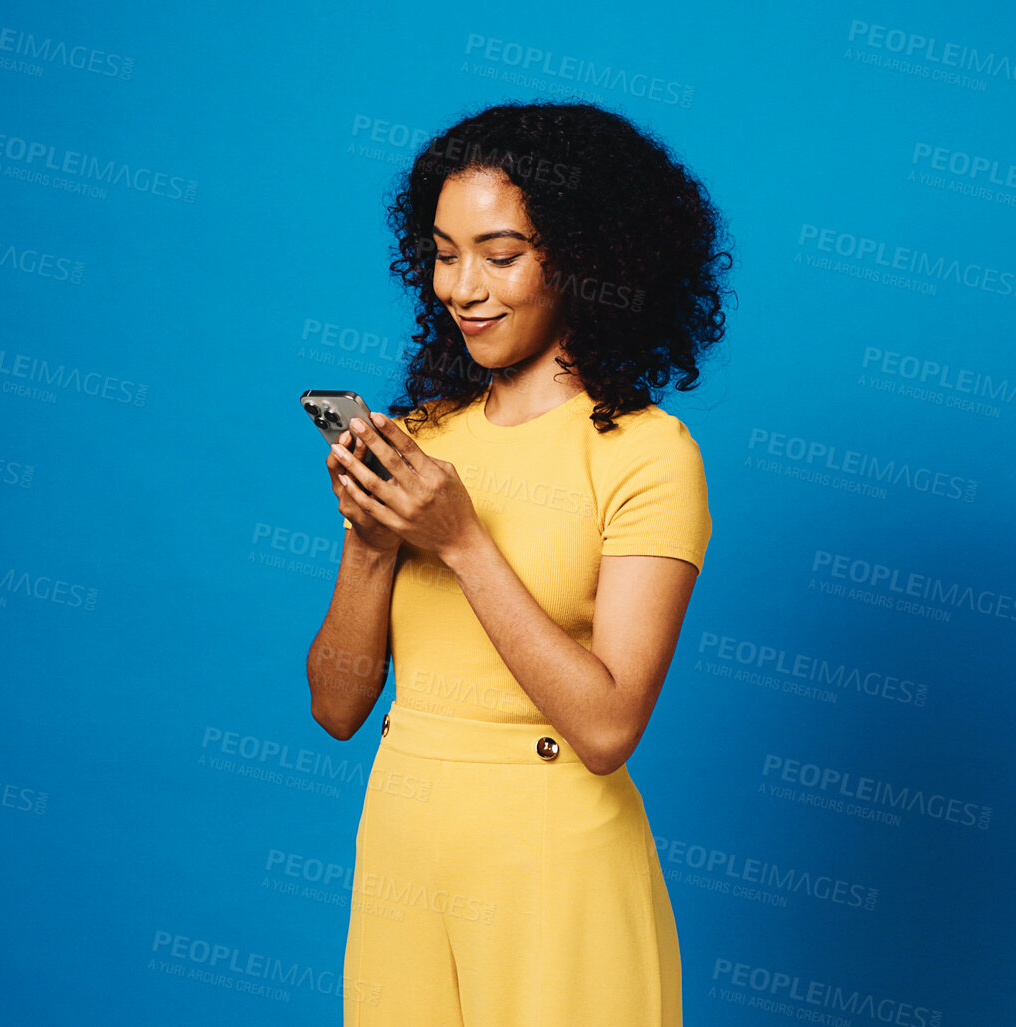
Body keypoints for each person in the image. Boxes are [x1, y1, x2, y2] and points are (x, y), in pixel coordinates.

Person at [305, 100, 733, 1026]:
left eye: (500, 256)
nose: (462, 287)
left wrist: (461, 539)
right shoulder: (418, 440)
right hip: (403, 851)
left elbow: (608, 728)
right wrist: (374, 547)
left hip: (553, 864)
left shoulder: (647, 454)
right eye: (443, 252)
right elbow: (337, 707)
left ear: (584, 258)